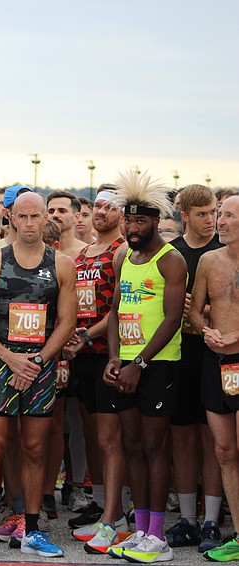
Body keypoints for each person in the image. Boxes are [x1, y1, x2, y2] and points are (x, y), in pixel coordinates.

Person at [0, 190, 76, 561]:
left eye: (35, 216)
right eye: (22, 216)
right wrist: (9, 359)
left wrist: (37, 362)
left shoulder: (62, 264)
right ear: (10, 217)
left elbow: (67, 322)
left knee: (34, 448)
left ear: (46, 218)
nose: (29, 224)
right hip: (1, 365)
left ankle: (32, 529)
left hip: (40, 368)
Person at [101, 171, 185, 563]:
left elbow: (172, 319)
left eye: (140, 221)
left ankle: (158, 537)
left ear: (154, 221)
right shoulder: (123, 256)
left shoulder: (171, 260)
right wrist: (114, 357)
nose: (132, 228)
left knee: (154, 447)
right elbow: (115, 311)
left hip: (158, 364)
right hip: (127, 364)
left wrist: (138, 362)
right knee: (132, 445)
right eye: (128, 220)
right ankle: (140, 529)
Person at [62, 189, 130, 554]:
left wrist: (88, 334)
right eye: (98, 206)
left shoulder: (122, 251)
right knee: (91, 436)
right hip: (82, 355)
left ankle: (116, 517)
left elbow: (118, 308)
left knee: (109, 439)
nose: (102, 211)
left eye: (110, 207)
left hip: (107, 353)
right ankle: (104, 509)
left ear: (122, 214)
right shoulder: (82, 253)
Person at [164, 184, 224, 552]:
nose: (211, 220)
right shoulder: (172, 254)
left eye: (214, 212)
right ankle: (187, 519)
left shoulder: (225, 251)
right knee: (182, 437)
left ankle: (212, 520)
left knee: (213, 439)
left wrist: (201, 311)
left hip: (216, 354)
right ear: (184, 216)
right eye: (202, 214)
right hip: (179, 354)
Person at [188, 195, 239, 562]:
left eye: (229, 216)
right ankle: (238, 534)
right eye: (221, 215)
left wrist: (236, 337)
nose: (221, 222)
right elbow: (193, 311)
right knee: (224, 451)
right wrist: (206, 330)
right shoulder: (209, 260)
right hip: (216, 362)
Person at [46, 190, 87, 258]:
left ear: (76, 217)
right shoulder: (36, 251)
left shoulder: (86, 252)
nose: (55, 215)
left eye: (62, 211)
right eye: (51, 211)